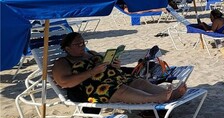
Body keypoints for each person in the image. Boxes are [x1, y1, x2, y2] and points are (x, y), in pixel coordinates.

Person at [52, 32, 187, 104]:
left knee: (139, 82)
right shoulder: (63, 62)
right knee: (121, 90)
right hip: (95, 90)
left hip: (115, 79)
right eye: (78, 44)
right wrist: (92, 72)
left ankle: (171, 95)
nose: (82, 46)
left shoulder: (91, 53)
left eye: (83, 42)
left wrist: (114, 65)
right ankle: (157, 98)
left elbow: (104, 66)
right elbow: (64, 82)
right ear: (67, 48)